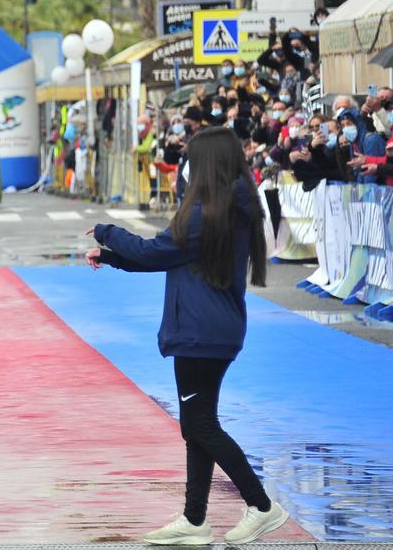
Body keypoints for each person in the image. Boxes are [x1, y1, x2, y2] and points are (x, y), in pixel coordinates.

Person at [84, 127, 289, 546]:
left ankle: (262, 505)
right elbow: (166, 256)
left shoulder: (209, 213)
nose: (186, 170)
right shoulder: (225, 208)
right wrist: (111, 258)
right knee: (197, 425)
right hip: (208, 328)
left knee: (199, 423)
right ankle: (194, 519)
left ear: (207, 164)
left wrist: (107, 232)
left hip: (202, 330)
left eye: (192, 161)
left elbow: (154, 249)